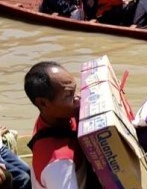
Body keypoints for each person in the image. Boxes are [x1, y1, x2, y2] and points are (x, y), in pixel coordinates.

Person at [24, 61, 100, 189]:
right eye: (68, 95)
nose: (78, 98)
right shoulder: (59, 163)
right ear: (43, 103)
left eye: (75, 90)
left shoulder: (52, 118)